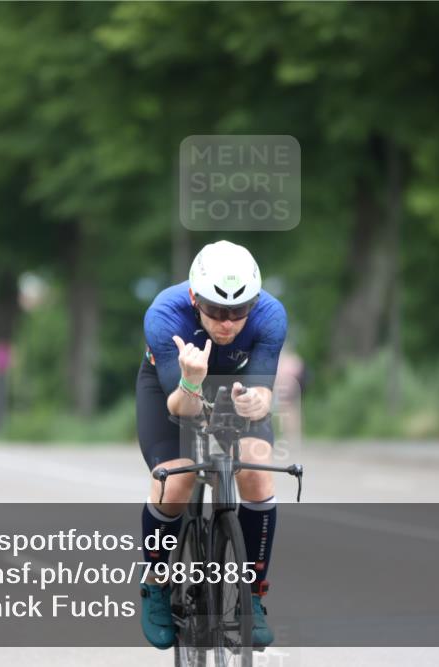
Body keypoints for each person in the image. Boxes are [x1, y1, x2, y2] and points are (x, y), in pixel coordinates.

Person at [136, 240, 287, 650]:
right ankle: (155, 582)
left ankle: (253, 595)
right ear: (194, 298)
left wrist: (258, 400)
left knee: (257, 467)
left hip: (232, 389)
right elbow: (180, 407)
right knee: (176, 482)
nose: (227, 323)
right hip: (173, 391)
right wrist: (189, 379)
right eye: (217, 312)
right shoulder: (165, 315)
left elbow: (264, 390)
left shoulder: (271, 315)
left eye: (239, 312)